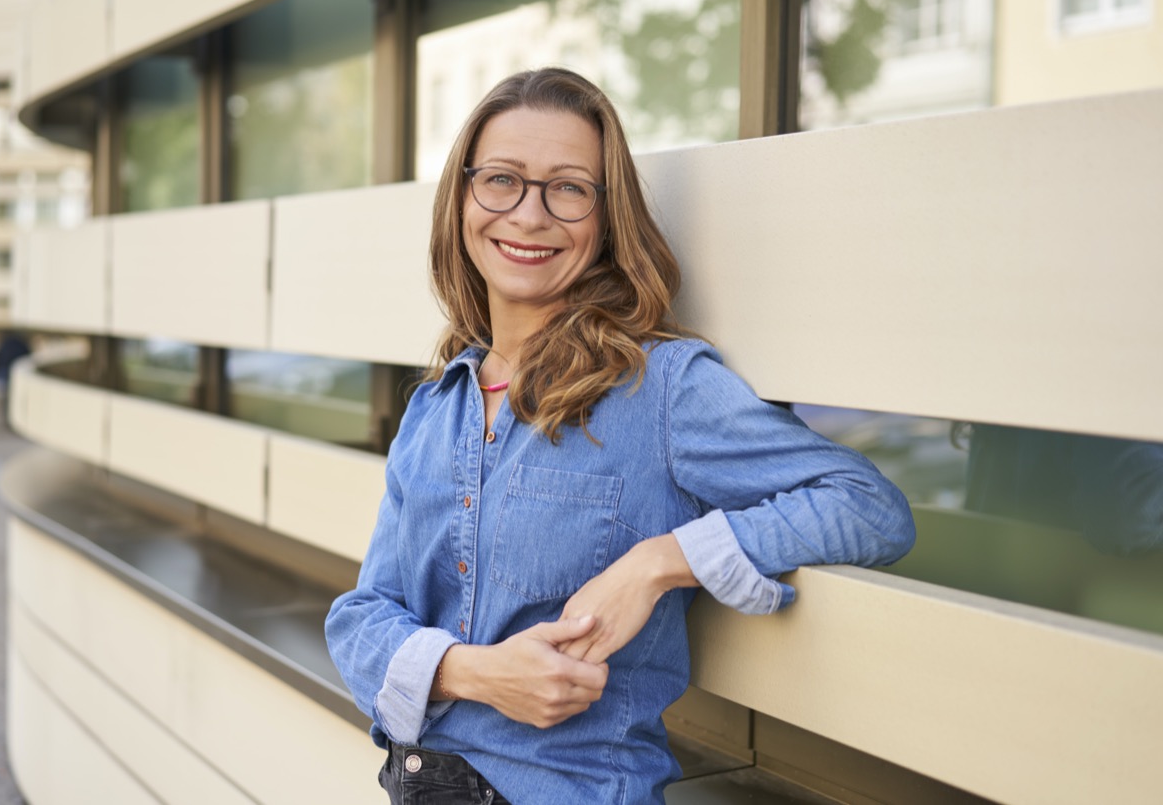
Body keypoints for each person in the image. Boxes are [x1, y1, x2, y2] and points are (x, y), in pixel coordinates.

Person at [325, 67, 915, 804]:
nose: (531, 214)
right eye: (502, 179)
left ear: (606, 218)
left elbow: (869, 505)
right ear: (463, 198)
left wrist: (659, 563)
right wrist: (478, 672)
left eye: (568, 188)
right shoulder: (436, 405)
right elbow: (359, 617)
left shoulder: (662, 386)